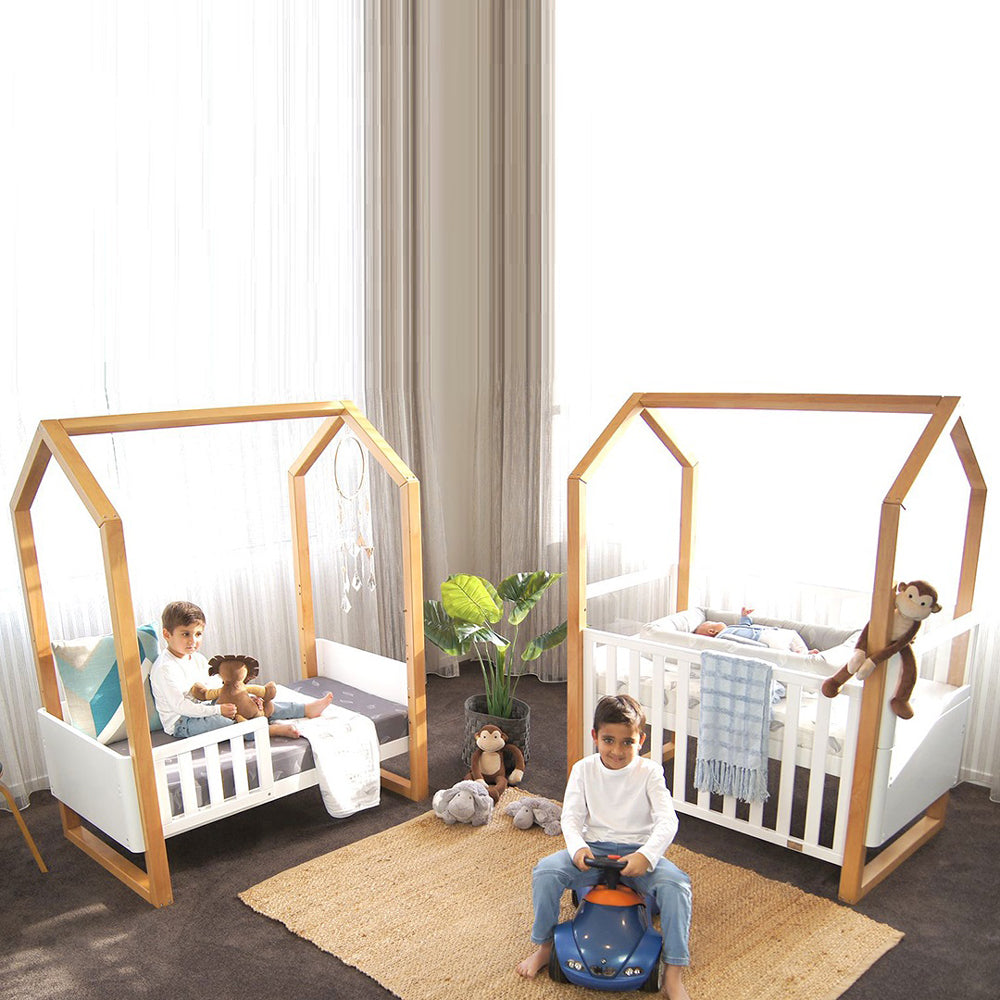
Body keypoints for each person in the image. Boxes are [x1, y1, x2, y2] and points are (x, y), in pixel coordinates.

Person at [515, 694, 692, 999]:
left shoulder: (650, 772)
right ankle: (544, 946)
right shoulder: (583, 769)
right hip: (594, 851)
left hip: (637, 853)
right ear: (595, 736)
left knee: (677, 885)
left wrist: (646, 855)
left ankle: (674, 974)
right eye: (609, 740)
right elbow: (571, 817)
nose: (617, 751)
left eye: (627, 742)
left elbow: (667, 821)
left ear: (641, 740)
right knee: (545, 871)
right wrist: (578, 849)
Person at [150, 600, 333, 739]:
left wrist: (241, 697)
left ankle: (304, 709)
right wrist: (218, 710)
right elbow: (181, 707)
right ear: (167, 634)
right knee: (225, 721)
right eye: (186, 634)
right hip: (183, 721)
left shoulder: (197, 658)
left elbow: (215, 687)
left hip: (205, 707)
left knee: (250, 702)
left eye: (198, 634)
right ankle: (267, 730)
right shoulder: (165, 668)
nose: (193, 641)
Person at [694, 606, 818, 655]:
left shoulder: (730, 628)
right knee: (782, 653)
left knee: (792, 634)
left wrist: (744, 616)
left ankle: (805, 652)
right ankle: (801, 658)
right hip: (762, 639)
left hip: (769, 632)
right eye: (713, 623)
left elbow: (745, 625)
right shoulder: (723, 637)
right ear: (712, 631)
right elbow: (740, 643)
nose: (716, 621)